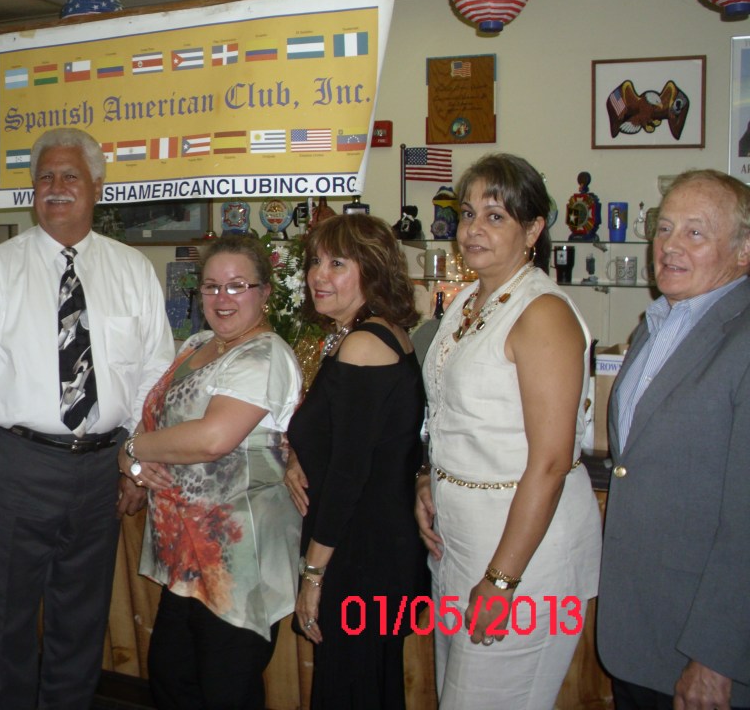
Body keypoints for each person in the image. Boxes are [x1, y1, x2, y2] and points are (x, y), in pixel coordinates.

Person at [0, 127, 175, 709]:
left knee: (80, 627)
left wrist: (136, 464)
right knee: (6, 630)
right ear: (32, 192)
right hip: (15, 469)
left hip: (101, 472)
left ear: (97, 186)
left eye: (70, 176)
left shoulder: (132, 270)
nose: (56, 188)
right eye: (45, 178)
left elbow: (154, 377)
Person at [413, 153, 601, 708]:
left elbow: (550, 459)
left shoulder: (542, 312)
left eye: (495, 216)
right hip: (461, 544)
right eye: (468, 214)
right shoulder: (469, 301)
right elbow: (451, 410)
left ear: (534, 229)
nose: (473, 229)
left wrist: (501, 581)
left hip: (524, 557)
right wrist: (429, 479)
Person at [119, 235, 302, 709]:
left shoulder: (264, 357)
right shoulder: (200, 343)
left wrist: (134, 448)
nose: (222, 298)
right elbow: (153, 418)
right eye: (211, 286)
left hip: (239, 566)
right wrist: (132, 457)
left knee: (225, 693)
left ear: (265, 293)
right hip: (184, 560)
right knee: (173, 683)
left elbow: (212, 438)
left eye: (238, 286)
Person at [598, 169, 750, 710]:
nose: (669, 246)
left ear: (743, 251)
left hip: (704, 645)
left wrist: (717, 656)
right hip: (640, 630)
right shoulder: (658, 324)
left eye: (695, 232)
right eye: (664, 229)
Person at [284, 213, 429, 709]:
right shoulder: (378, 333)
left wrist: (314, 574)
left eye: (337, 263)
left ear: (372, 270)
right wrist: (298, 457)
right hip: (378, 546)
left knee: (348, 689)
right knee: (371, 686)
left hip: (359, 555)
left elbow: (349, 474)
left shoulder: (364, 345)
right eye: (314, 262)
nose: (318, 275)